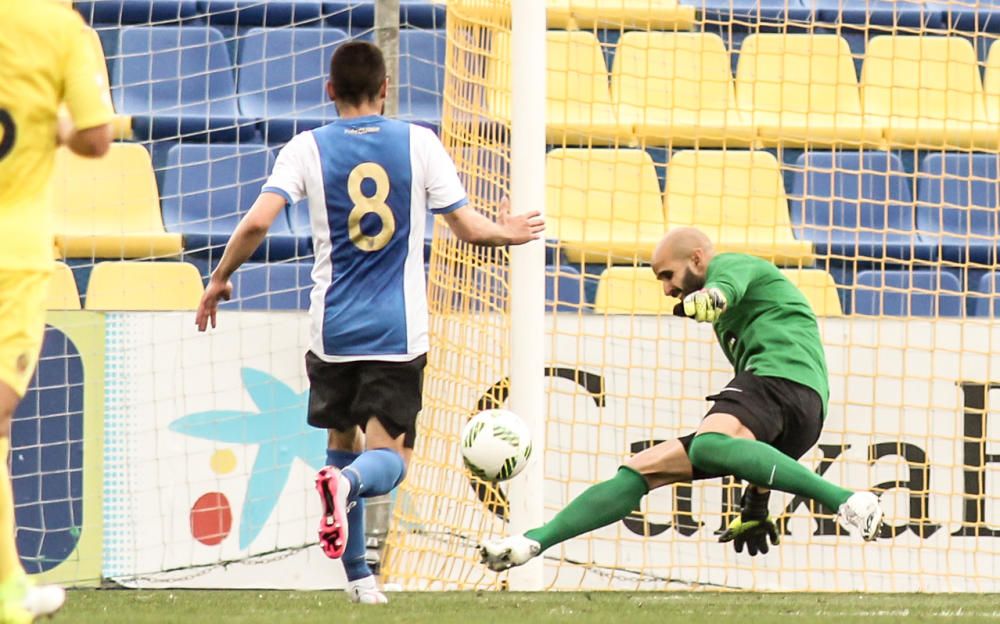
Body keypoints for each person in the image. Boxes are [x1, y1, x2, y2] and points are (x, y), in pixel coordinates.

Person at [195, 40, 543, 604]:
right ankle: (348, 488)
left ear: (329, 90)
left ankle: (360, 580)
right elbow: (471, 231)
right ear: (386, 89)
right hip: (395, 331)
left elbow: (259, 222)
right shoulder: (418, 143)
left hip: (330, 332)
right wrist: (512, 230)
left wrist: (219, 278)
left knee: (341, 439)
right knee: (389, 460)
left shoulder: (305, 147)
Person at [480, 226, 883, 572]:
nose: (667, 287)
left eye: (668, 275)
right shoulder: (734, 323)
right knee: (642, 470)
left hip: (782, 379)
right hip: (801, 410)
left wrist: (710, 299)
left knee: (709, 443)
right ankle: (532, 543)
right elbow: (758, 436)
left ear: (696, 258)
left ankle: (847, 500)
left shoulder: (731, 265)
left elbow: (724, 289)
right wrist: (757, 507)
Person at [0, 2, 115, 622]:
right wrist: (59, 127)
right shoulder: (59, 26)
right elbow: (98, 139)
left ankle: (10, 584)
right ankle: (8, 592)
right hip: (12, 253)